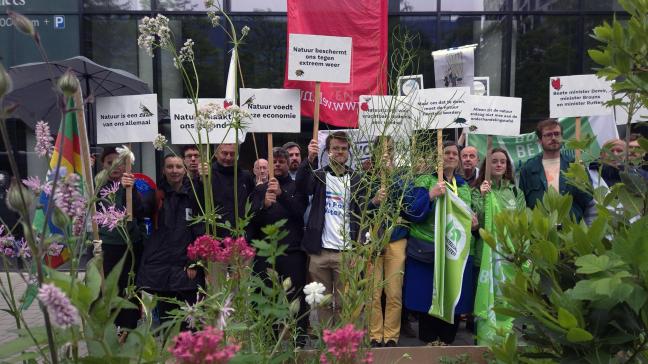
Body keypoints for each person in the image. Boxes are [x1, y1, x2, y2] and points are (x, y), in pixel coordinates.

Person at [401, 141, 478, 344]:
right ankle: (429, 346)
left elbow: (467, 217)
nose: (451, 156)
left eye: (455, 153)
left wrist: (473, 222)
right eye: (447, 153)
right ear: (439, 157)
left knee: (452, 300)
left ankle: (447, 346)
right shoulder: (425, 180)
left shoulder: (463, 186)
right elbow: (411, 212)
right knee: (428, 299)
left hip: (454, 252)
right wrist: (430, 194)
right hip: (427, 250)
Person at [296, 132, 362, 326]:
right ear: (328, 151)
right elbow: (301, 186)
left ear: (349, 152)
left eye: (343, 149)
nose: (339, 152)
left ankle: (341, 343)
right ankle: (326, 343)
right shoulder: (319, 176)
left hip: (347, 253)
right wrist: (309, 158)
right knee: (322, 303)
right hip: (320, 252)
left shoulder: (357, 179)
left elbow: (362, 215)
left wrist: (359, 250)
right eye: (335, 148)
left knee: (344, 303)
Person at [249, 147, 309, 345]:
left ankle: (298, 340)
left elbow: (300, 212)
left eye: (281, 162)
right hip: (266, 254)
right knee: (266, 299)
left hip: (292, 253)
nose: (277, 165)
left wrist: (282, 194)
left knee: (296, 300)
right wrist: (264, 205)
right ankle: (268, 340)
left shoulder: (296, 187)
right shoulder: (258, 190)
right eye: (274, 162)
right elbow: (252, 221)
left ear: (286, 164)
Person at [137, 155, 204, 330]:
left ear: (185, 170)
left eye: (178, 167)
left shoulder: (195, 195)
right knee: (168, 325)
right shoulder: (156, 195)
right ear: (163, 170)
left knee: (189, 323)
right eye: (170, 167)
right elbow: (137, 212)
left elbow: (201, 230)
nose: (174, 171)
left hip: (185, 268)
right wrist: (127, 190)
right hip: (162, 270)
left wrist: (194, 261)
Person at [471, 147, 525, 343]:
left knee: (507, 303)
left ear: (508, 166)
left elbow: (522, 222)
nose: (499, 164)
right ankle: (483, 343)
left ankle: (507, 342)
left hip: (509, 258)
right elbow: (478, 224)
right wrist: (484, 198)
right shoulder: (477, 191)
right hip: (485, 256)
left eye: (503, 161)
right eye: (494, 161)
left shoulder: (515, 191)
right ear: (487, 165)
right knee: (486, 302)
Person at [363, 137, 409, 348]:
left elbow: (406, 202)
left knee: (393, 291)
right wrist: (374, 201)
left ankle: (391, 335)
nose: (386, 153)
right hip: (373, 239)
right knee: (373, 291)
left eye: (389, 149)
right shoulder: (366, 176)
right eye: (382, 149)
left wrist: (391, 176)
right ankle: (374, 334)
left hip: (396, 239)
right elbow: (359, 207)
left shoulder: (401, 175)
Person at [97, 146, 148, 333]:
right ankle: (107, 327)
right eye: (110, 162)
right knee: (106, 287)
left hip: (130, 245)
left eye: (119, 162)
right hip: (106, 246)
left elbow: (141, 212)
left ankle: (128, 328)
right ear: (103, 164)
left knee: (129, 287)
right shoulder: (96, 185)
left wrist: (131, 189)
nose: (115, 167)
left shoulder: (132, 185)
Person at [518, 119, 592, 221]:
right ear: (539, 140)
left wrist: (581, 180)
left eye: (557, 134)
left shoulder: (575, 164)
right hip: (541, 229)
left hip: (570, 228)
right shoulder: (528, 168)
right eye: (548, 135)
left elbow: (587, 199)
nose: (553, 138)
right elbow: (522, 202)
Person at [209, 143, 256, 237]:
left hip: (241, 233)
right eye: (224, 153)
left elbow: (252, 203)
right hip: (215, 235)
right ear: (216, 153)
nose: (228, 157)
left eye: (232, 154)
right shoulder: (208, 175)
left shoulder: (246, 176)